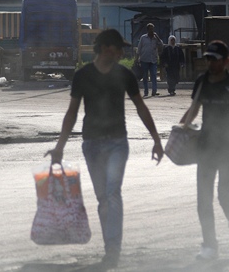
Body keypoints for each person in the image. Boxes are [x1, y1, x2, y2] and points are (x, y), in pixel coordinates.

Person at [46, 28, 164, 269]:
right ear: (107, 49)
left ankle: (113, 249)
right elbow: (72, 112)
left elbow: (141, 107)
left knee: (112, 193)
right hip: (91, 144)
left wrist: (156, 139)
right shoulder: (83, 75)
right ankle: (110, 245)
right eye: (119, 48)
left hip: (118, 143)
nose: (122, 52)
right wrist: (59, 147)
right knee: (103, 199)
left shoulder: (125, 75)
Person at [180, 40, 229, 260]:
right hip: (205, 148)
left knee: (224, 195)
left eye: (215, 59)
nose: (210, 63)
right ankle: (209, 245)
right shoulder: (202, 82)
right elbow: (194, 110)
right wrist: (180, 129)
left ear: (226, 61)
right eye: (208, 59)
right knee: (203, 199)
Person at [135, 23, 163, 97]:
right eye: (150, 29)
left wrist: (157, 36)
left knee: (153, 75)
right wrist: (137, 58)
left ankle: (154, 91)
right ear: (147, 30)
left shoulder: (155, 38)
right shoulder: (143, 38)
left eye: (152, 29)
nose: (152, 31)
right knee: (145, 76)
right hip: (144, 59)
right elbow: (139, 48)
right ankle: (146, 92)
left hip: (153, 60)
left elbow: (161, 44)